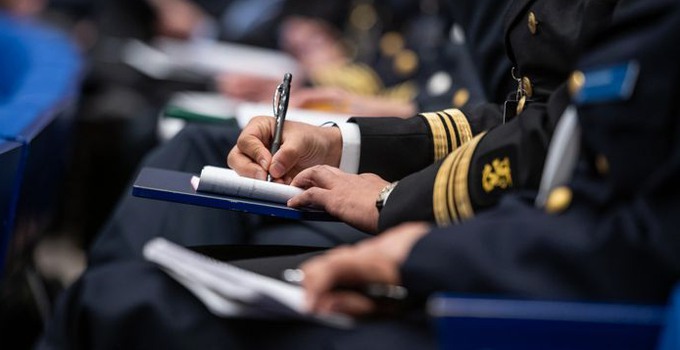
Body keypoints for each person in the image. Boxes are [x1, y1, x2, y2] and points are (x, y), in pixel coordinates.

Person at [38, 0, 680, 347]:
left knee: (120, 302)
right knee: (192, 163)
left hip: (557, 295)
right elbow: (529, 118)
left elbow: (618, 220)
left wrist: (409, 230)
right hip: (526, 249)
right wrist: (339, 142)